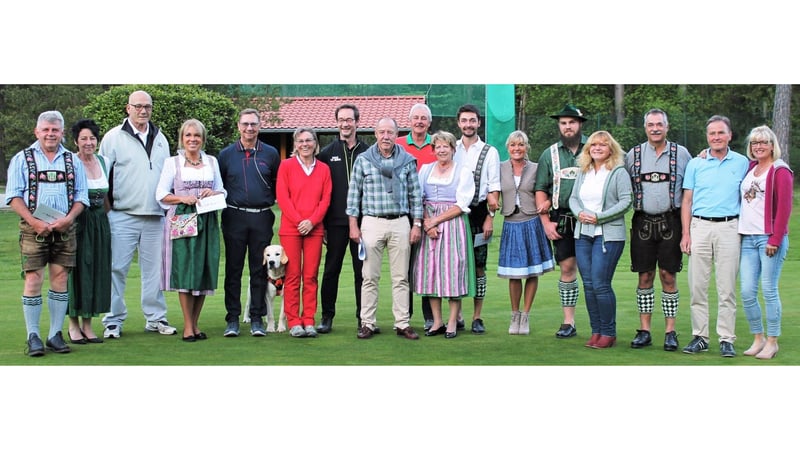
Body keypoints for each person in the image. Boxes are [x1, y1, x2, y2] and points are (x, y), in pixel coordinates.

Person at [6, 110, 89, 356]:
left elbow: (81, 197)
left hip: (64, 228)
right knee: (33, 279)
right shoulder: (23, 158)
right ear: (37, 132)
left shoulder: (73, 161)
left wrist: (68, 219)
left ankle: (55, 334)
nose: (50, 134)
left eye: (55, 130)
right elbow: (13, 196)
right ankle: (33, 335)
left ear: (62, 133)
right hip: (34, 228)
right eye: (46, 130)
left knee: (60, 279)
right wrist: (33, 221)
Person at [100, 90, 176, 339]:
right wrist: (109, 210)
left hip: (155, 216)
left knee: (154, 270)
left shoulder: (161, 138)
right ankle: (113, 320)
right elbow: (103, 177)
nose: (144, 111)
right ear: (128, 108)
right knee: (116, 268)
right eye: (138, 106)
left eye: (148, 107)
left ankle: (155, 318)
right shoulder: (113, 138)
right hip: (123, 215)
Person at [346, 117, 423, 340]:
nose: (386, 136)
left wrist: (416, 224)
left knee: (401, 278)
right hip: (371, 222)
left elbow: (415, 195)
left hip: (400, 222)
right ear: (375, 134)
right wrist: (353, 225)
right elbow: (354, 195)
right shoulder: (363, 160)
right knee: (369, 276)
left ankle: (402, 323)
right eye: (382, 132)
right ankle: (367, 323)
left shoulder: (408, 160)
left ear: (397, 134)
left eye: (390, 132)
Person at [680, 115, 749, 357]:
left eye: (721, 133)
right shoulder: (696, 164)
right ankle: (700, 336)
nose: (716, 137)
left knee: (726, 287)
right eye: (712, 134)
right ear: (707, 137)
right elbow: (687, 201)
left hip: (730, 227)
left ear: (730, 135)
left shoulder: (742, 163)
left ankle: (726, 338)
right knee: (697, 285)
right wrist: (685, 234)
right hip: (699, 227)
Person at [624, 109, 692, 351]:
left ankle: (670, 332)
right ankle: (644, 330)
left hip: (671, 221)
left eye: (659, 124)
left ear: (667, 126)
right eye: (651, 124)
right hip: (642, 221)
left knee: (668, 276)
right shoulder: (632, 155)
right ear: (645, 128)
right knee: (644, 276)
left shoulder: (682, 153)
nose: (655, 128)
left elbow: (693, 184)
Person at [156, 119, 226, 342]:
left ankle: (195, 324)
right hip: (183, 219)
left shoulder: (211, 161)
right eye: (188, 135)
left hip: (207, 218)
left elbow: (222, 191)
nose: (192, 139)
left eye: (197, 135)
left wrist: (211, 193)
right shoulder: (172, 163)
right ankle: (187, 326)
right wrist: (182, 197)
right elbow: (161, 194)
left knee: (203, 269)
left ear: (203, 139)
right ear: (182, 138)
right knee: (185, 269)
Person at [217, 108, 281, 337]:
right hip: (234, 216)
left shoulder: (271, 153)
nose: (249, 128)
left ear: (259, 126)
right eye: (245, 124)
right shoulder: (225, 155)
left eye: (253, 124)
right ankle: (232, 319)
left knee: (258, 270)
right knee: (233, 270)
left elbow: (277, 184)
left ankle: (256, 318)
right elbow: (219, 185)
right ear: (238, 126)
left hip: (262, 216)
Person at [569, 130, 632, 349]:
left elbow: (626, 201)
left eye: (603, 145)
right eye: (593, 145)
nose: (597, 148)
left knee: (600, 284)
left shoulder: (618, 172)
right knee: (587, 285)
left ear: (610, 149)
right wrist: (580, 214)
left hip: (608, 235)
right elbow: (574, 198)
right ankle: (595, 331)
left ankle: (608, 332)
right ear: (588, 149)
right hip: (583, 234)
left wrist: (599, 217)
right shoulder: (584, 171)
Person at [533, 104, 589, 339]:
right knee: (567, 268)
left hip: (592, 219)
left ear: (580, 124)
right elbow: (540, 189)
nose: (568, 127)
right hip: (562, 218)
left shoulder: (594, 147)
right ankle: (569, 322)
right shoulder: (550, 154)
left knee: (593, 272)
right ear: (559, 126)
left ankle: (600, 323)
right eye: (563, 123)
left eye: (572, 122)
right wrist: (545, 222)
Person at [412, 131, 475, 339]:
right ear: (433, 150)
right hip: (429, 225)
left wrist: (435, 221)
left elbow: (461, 204)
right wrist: (426, 225)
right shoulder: (425, 170)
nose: (441, 150)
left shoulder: (463, 171)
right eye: (437, 146)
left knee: (452, 272)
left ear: (452, 149)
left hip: (452, 225)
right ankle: (437, 321)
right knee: (431, 272)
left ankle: (452, 322)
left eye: (445, 146)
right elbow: (418, 198)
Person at [738, 125, 792, 359]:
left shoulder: (780, 171)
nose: (758, 146)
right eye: (754, 143)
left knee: (769, 290)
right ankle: (758, 338)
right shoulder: (750, 167)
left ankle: (772, 341)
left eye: (763, 142)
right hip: (747, 238)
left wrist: (776, 238)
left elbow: (784, 208)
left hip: (769, 239)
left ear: (772, 145)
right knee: (748, 291)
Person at [497, 130, 555, 335]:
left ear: (526, 147)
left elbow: (551, 189)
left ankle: (526, 316)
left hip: (532, 222)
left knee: (532, 272)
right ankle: (515, 315)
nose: (517, 149)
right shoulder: (500, 168)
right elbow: (492, 190)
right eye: (513, 145)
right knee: (514, 274)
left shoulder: (537, 168)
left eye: (520, 145)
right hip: (511, 223)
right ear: (508, 148)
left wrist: (548, 202)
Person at [276, 128, 332, 338]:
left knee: (310, 276)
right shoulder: (286, 166)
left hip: (314, 229)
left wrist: (312, 222)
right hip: (291, 229)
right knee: (292, 276)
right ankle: (294, 321)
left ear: (315, 143)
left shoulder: (324, 169)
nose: (305, 144)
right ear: (295, 144)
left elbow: (325, 199)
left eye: (309, 140)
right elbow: (283, 197)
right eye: (300, 141)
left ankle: (309, 319)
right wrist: (300, 222)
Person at [316, 104, 367, 333]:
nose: (345, 124)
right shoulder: (326, 154)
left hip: (364, 224)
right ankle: (327, 316)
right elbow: (320, 191)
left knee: (362, 273)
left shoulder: (369, 152)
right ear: (336, 123)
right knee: (331, 270)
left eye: (349, 119)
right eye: (341, 120)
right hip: (335, 223)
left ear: (357, 122)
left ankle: (363, 318)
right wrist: (323, 224)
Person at [453, 104, 500, 334]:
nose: (468, 124)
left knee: (479, 267)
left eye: (472, 120)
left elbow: (494, 186)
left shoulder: (489, 151)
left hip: (481, 212)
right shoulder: (452, 149)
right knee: (458, 265)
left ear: (479, 123)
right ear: (458, 123)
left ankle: (477, 317)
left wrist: (490, 218)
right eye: (464, 120)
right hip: (456, 214)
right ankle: (458, 315)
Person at [67, 119, 111, 345]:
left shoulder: (103, 162)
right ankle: (73, 324)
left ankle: (88, 323)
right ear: (75, 141)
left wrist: (105, 220)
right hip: (77, 222)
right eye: (83, 138)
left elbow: (106, 198)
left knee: (96, 270)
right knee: (77, 271)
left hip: (100, 223)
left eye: (92, 138)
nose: (88, 142)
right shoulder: (70, 162)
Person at [396, 103, 437, 330]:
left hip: (433, 213)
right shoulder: (400, 144)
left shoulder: (437, 143)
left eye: (424, 118)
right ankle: (404, 316)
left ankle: (431, 316)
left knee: (429, 266)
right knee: (406, 268)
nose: (419, 121)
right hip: (405, 213)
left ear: (429, 123)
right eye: (416, 118)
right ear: (409, 121)